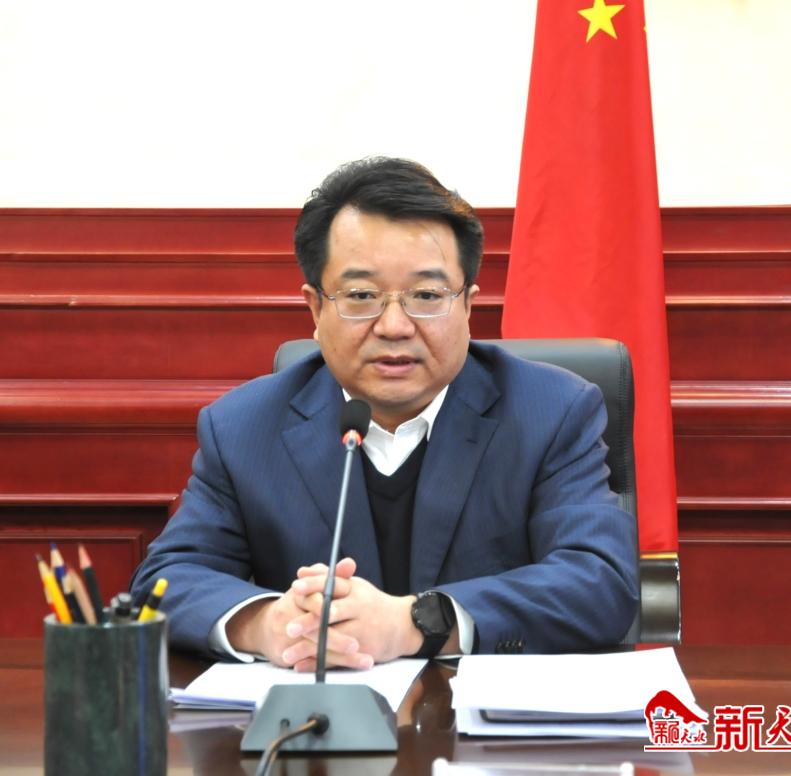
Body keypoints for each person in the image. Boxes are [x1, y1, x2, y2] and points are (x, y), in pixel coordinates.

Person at [130, 157, 638, 670]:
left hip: (480, 717)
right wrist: (267, 623)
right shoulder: (243, 426)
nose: (394, 325)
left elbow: (601, 582)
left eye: (426, 295)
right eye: (361, 296)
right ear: (315, 309)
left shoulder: (551, 412)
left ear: (468, 307)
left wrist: (413, 623)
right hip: (315, 715)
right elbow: (166, 581)